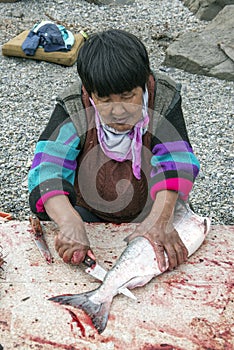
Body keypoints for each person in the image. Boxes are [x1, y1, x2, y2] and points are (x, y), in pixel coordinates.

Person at [28, 29, 200, 272]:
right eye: (105, 100)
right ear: (89, 92)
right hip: (90, 209)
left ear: (144, 84)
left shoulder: (163, 96)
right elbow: (47, 170)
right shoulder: (73, 104)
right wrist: (68, 221)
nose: (118, 111)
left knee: (176, 260)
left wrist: (160, 219)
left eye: (128, 96)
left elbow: (177, 161)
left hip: (153, 206)